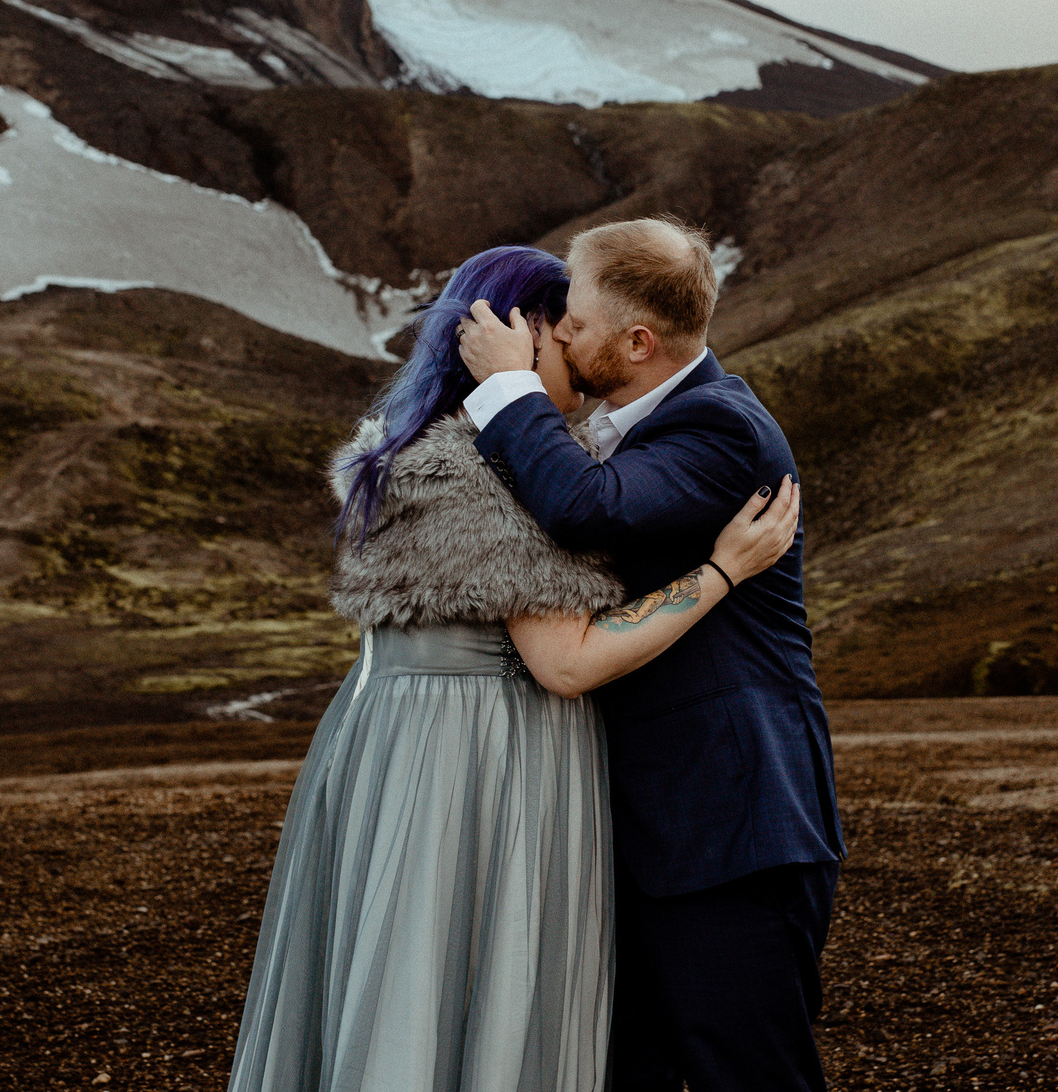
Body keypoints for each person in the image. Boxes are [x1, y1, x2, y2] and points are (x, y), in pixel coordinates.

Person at [226, 243, 802, 1092]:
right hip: (478, 770)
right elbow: (566, 662)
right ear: (513, 339)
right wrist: (720, 572)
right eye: (564, 337)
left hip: (401, 754)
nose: (582, 361)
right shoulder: (499, 468)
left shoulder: (417, 450)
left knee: (400, 989)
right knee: (460, 993)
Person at [458, 216, 842, 1092]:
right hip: (664, 829)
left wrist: (508, 389)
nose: (557, 332)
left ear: (637, 341)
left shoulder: (721, 428)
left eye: (576, 322)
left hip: (732, 824)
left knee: (749, 1075)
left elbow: (586, 509)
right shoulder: (647, 423)